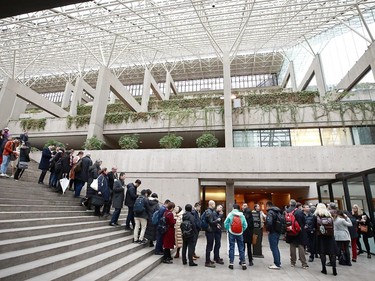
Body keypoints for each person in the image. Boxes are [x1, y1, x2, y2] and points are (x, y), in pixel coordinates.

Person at [314, 203, 337, 276]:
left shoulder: (316, 216)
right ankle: (334, 269)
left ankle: (324, 269)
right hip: (330, 237)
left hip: (321, 237)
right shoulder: (330, 216)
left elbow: (314, 227)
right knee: (332, 253)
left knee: (322, 253)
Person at [285, 199, 308, 269]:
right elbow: (304, 221)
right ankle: (303, 263)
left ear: (290, 204)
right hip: (299, 231)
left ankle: (293, 262)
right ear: (296, 204)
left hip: (290, 230)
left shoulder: (286, 211)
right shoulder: (299, 211)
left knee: (292, 246)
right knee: (301, 246)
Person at [224, 203, 248, 270]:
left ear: (233, 208)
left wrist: (228, 229)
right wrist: (242, 230)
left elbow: (225, 223)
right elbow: (245, 225)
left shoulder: (230, 214)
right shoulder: (242, 215)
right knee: (241, 248)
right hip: (240, 234)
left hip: (232, 233)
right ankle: (243, 263)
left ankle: (231, 263)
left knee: (231, 247)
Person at [265, 201, 282, 270]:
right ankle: (278, 262)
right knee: (276, 247)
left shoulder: (270, 212)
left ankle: (277, 264)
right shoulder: (278, 212)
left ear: (268, 206)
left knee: (273, 248)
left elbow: (269, 222)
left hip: (273, 232)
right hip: (278, 231)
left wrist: (268, 230)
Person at [204, 200, 221, 268]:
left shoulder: (208, 211)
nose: (215, 205)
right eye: (214, 204)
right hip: (210, 231)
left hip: (209, 230)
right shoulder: (210, 212)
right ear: (211, 204)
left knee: (209, 246)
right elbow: (211, 222)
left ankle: (208, 260)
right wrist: (217, 220)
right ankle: (207, 262)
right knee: (209, 246)